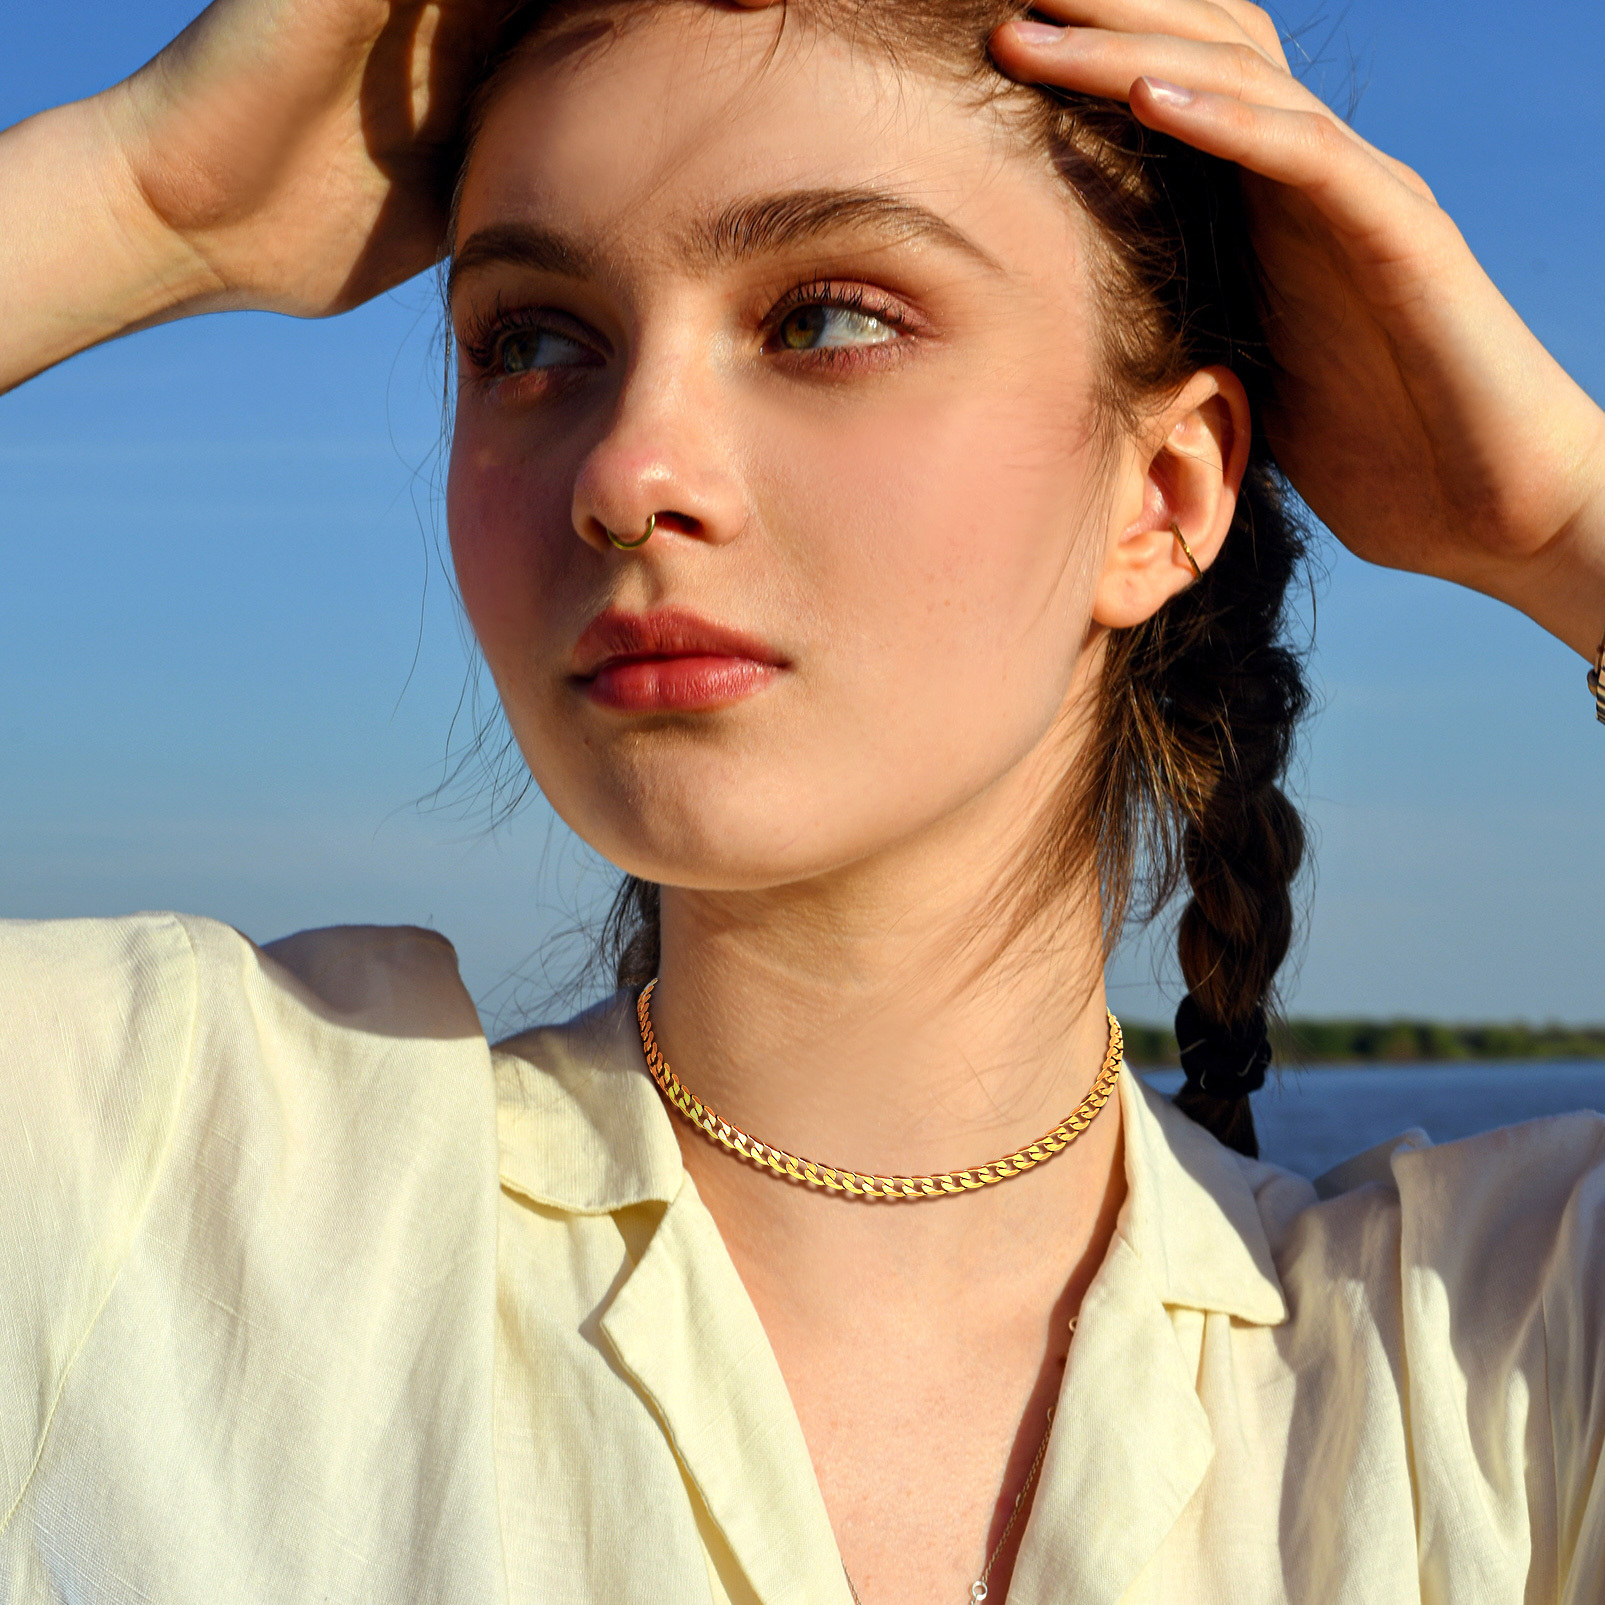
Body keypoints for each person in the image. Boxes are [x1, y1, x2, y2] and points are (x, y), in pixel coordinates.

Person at [3, 0, 1604, 1601]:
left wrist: (1558, 514)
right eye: (534, 341)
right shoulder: (158, 1169)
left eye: (827, 319)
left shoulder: (1477, 1364)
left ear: (1163, 491)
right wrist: (142, 200)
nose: (628, 472)